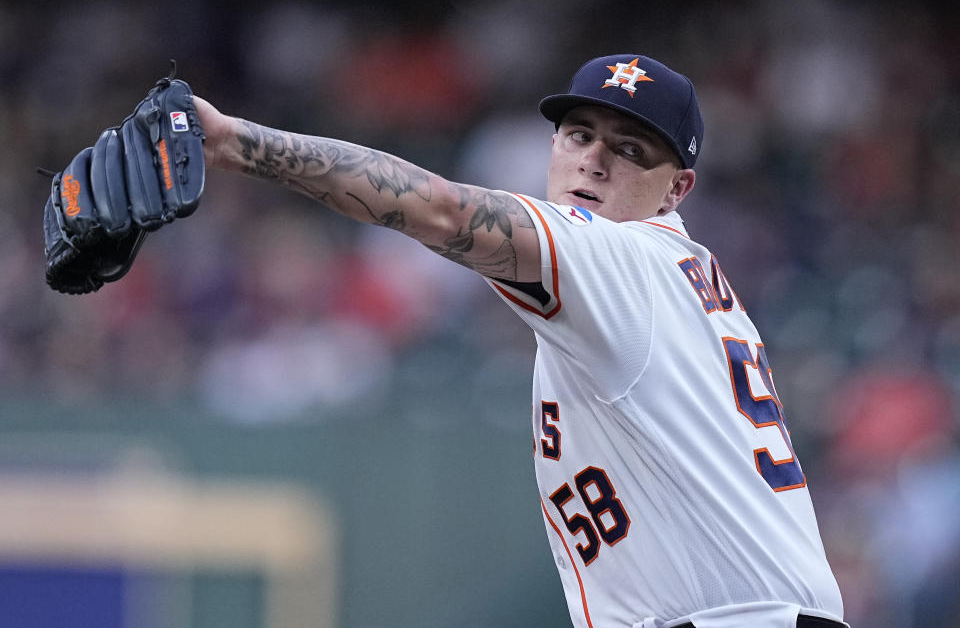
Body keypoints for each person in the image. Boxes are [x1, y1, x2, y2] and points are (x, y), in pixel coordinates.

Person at [193, 54, 846, 628]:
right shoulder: (665, 279)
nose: (594, 159)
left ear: (677, 189)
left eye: (631, 149)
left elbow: (443, 210)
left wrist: (229, 141)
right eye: (579, 134)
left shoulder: (626, 261)